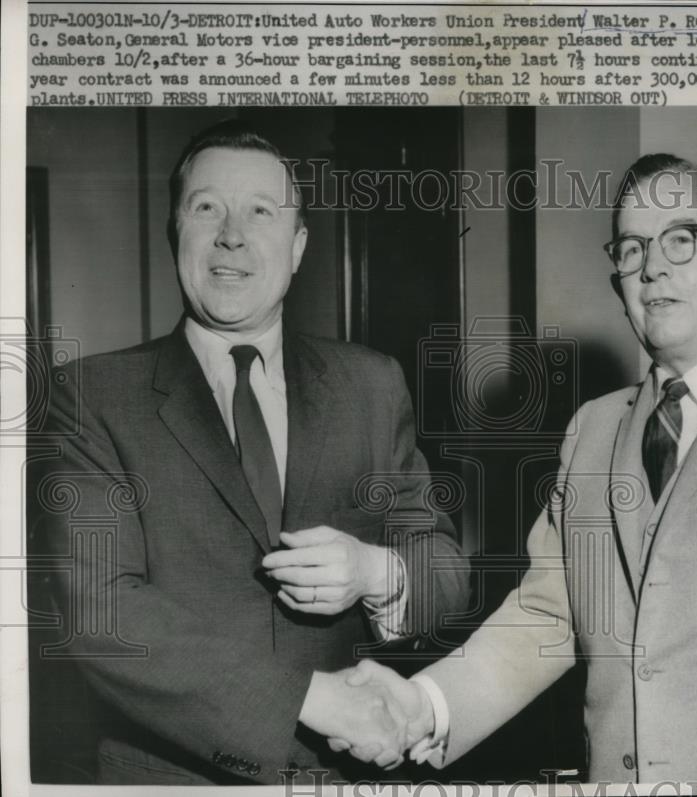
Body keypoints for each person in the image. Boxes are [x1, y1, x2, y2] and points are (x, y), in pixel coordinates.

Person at [328, 153, 697, 783]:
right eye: (632, 249)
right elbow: (548, 618)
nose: (653, 266)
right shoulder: (592, 430)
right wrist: (425, 706)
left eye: (682, 239)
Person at [30, 120, 469, 785]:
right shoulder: (90, 396)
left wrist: (374, 570)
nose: (231, 233)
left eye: (260, 211)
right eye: (207, 207)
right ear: (174, 232)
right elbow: (103, 613)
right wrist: (311, 700)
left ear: (297, 248)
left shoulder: (372, 384)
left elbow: (446, 573)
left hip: (346, 775)